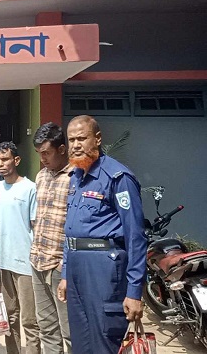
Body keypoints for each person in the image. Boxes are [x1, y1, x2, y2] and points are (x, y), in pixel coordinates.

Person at [58, 115, 147, 354]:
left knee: (103, 341)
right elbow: (71, 229)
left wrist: (134, 291)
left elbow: (136, 236)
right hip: (76, 268)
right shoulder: (76, 177)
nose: (76, 145)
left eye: (82, 138)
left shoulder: (118, 177)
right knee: (80, 342)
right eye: (71, 140)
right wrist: (66, 274)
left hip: (104, 270)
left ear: (97, 139)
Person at [0, 142, 40, 354]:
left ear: (17, 160)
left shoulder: (30, 188)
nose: (1, 164)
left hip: (25, 263)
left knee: (30, 319)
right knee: (9, 317)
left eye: (5, 159)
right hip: (2, 262)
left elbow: (35, 225)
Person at [30, 122, 73, 354]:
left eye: (46, 153)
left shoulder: (76, 177)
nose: (42, 158)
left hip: (61, 266)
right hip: (38, 261)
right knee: (47, 328)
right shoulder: (41, 176)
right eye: (39, 153)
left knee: (69, 330)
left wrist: (65, 264)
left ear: (62, 149)